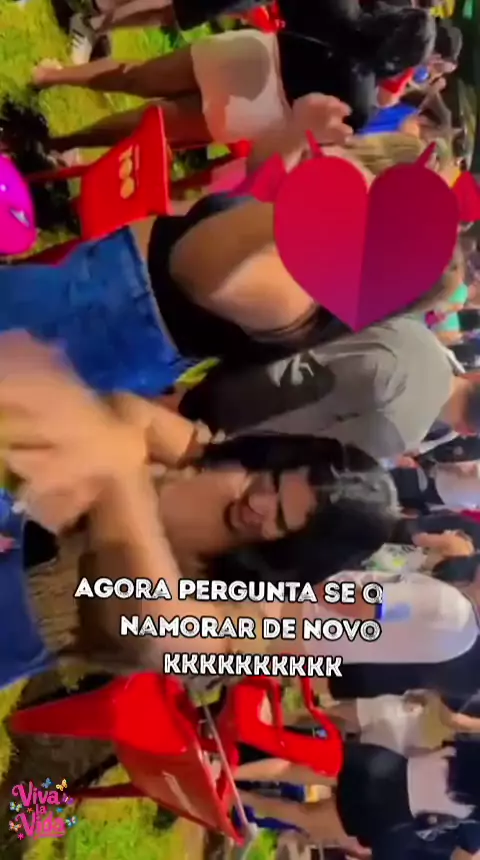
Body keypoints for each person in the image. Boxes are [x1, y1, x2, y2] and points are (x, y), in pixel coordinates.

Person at [32, 2, 436, 145]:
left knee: (137, 76)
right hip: (257, 111)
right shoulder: (362, 102)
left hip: (248, 56)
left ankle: (52, 78)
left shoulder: (339, 9)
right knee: (150, 124)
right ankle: (61, 142)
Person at [237, 740, 480, 850]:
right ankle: (236, 796)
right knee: (302, 815)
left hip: (385, 764)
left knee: (291, 769)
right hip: (387, 812)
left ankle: (229, 772)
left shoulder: (473, 751)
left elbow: (434, 748)